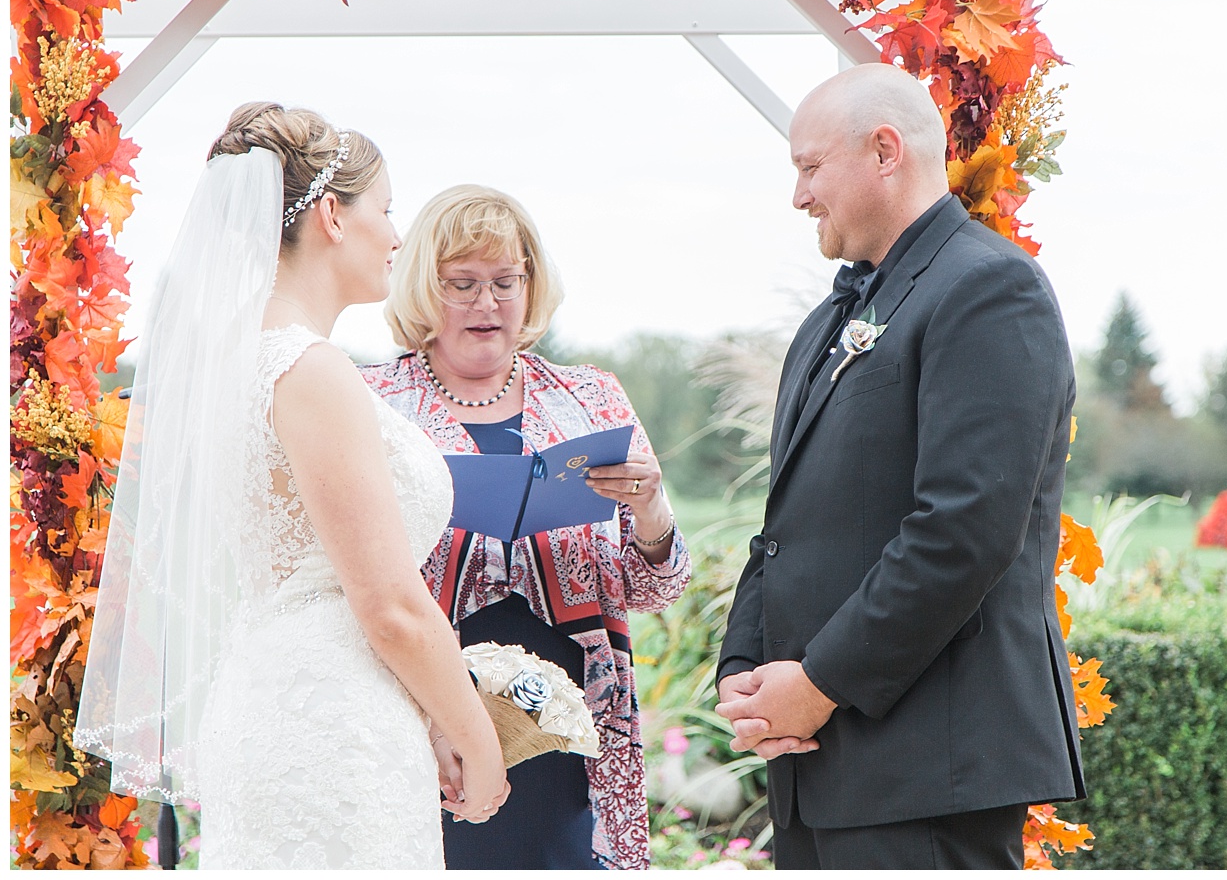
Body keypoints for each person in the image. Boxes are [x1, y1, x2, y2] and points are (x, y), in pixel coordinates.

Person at [76, 103, 507, 869]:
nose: (399, 234)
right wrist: (476, 734)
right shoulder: (309, 369)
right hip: (330, 721)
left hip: (279, 694)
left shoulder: (234, 363)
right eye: (387, 207)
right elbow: (391, 606)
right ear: (333, 217)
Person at [714, 64, 1086, 869]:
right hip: (822, 768)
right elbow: (789, 525)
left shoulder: (989, 288)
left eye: (810, 167)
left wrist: (816, 685)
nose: (799, 196)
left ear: (885, 151)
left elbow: (963, 530)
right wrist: (743, 666)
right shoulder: (832, 318)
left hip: (929, 768)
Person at [361, 184, 691, 870]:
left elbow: (654, 586)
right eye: (464, 283)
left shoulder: (590, 396)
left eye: (506, 281)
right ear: (424, 285)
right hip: (423, 729)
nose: (488, 303)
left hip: (571, 739)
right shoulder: (373, 406)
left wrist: (652, 511)